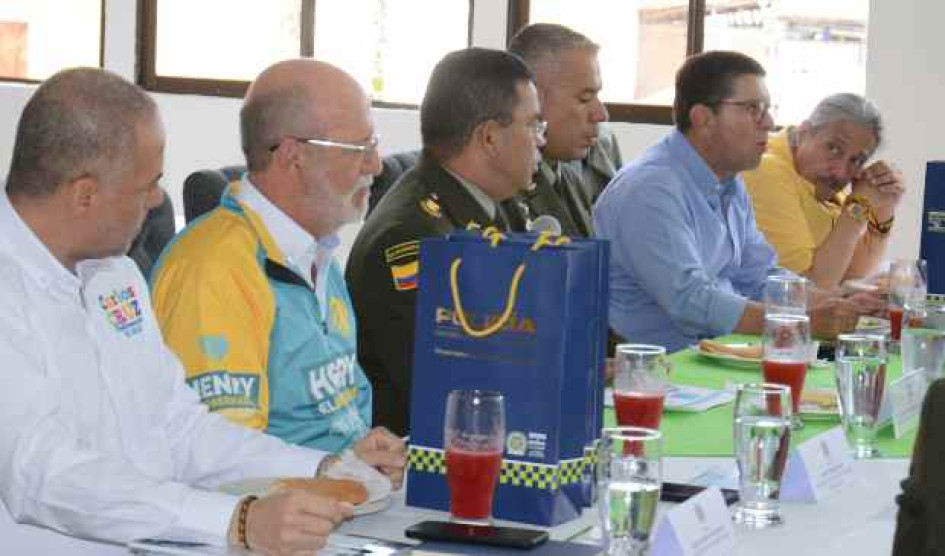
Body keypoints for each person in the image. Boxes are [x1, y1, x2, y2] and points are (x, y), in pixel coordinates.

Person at [0, 67, 404, 554]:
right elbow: (42, 474)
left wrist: (317, 469)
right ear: (85, 194)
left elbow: (180, 426)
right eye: (147, 185)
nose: (155, 203)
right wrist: (234, 521)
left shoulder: (115, 276)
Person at [151, 59, 380, 453]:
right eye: (359, 149)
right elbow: (220, 460)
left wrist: (370, 455)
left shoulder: (317, 250)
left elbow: (347, 413)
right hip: (274, 507)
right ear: (294, 156)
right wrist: (334, 473)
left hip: (346, 495)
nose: (375, 165)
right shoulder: (212, 270)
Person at [593, 51, 872, 353]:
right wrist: (799, 321)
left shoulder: (729, 182)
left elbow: (759, 275)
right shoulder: (650, 189)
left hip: (719, 356)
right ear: (703, 118)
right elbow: (690, 301)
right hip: (661, 369)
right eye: (753, 109)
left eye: (767, 109)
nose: (768, 122)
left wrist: (840, 301)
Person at [345, 48, 544, 436]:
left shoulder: (493, 203)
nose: (541, 141)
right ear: (488, 138)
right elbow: (445, 386)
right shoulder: (411, 240)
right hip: (421, 456)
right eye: (534, 125)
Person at [743, 93, 904, 288]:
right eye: (834, 148)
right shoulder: (765, 170)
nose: (840, 171)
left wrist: (885, 208)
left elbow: (850, 275)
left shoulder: (821, 179)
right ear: (804, 132)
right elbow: (808, 290)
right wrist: (858, 206)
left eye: (856, 160)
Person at [504, 23, 619, 236]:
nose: (601, 114)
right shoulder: (503, 190)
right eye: (584, 99)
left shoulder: (567, 174)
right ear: (532, 97)